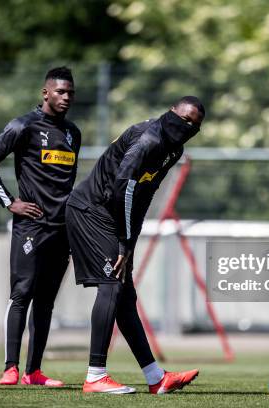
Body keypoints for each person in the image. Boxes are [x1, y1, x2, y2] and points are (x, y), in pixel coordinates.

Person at [65, 96, 204, 394]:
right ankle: (95, 376)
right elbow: (121, 188)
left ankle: (157, 378)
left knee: (125, 298)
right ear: (171, 112)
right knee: (112, 285)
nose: (189, 126)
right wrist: (123, 243)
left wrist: (129, 244)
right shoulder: (149, 140)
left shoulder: (173, 149)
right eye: (185, 118)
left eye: (196, 124)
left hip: (112, 216)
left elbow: (143, 196)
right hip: (92, 210)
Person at [0, 66, 80, 387]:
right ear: (45, 92)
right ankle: (10, 367)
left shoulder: (72, 133)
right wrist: (10, 201)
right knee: (21, 293)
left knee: (47, 301)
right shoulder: (23, 125)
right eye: (60, 92)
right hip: (31, 228)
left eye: (70, 93)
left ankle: (33, 371)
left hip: (61, 229)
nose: (66, 97)